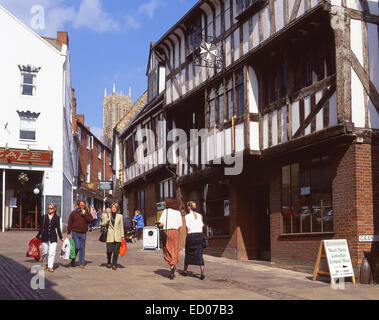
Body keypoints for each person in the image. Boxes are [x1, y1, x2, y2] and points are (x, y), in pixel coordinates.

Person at [159, 198, 182, 280]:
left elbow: (161, 223)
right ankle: (172, 267)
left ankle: (172, 267)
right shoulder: (178, 213)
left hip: (167, 232)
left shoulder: (166, 211)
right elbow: (180, 225)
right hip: (176, 232)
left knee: (167, 249)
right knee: (175, 249)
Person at [36, 203, 64, 272]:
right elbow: (41, 228)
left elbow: (58, 229)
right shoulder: (44, 217)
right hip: (44, 236)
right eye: (48, 208)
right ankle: (44, 264)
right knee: (44, 252)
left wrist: (61, 238)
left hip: (53, 237)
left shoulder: (57, 218)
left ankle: (50, 266)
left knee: (52, 252)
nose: (49, 209)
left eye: (51, 208)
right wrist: (38, 236)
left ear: (54, 209)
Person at [67, 200, 93, 268]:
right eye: (80, 205)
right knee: (77, 246)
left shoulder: (87, 213)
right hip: (75, 232)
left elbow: (90, 221)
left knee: (82, 248)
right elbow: (70, 223)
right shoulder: (73, 213)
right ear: (78, 205)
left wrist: (85, 214)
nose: (82, 206)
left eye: (83, 205)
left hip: (83, 233)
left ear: (85, 206)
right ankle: (73, 259)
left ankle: (81, 263)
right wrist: (68, 232)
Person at [183, 201, 205, 280]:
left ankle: (185, 271)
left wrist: (187, 236)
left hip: (191, 236)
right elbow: (202, 227)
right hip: (199, 235)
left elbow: (187, 228)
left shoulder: (187, 216)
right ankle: (202, 273)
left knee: (188, 253)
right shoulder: (200, 216)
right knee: (199, 254)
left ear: (189, 207)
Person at [101, 204, 125, 270]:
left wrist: (122, 236)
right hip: (110, 235)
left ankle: (114, 264)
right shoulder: (107, 215)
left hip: (118, 235)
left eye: (115, 207)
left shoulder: (120, 216)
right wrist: (107, 221)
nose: (113, 208)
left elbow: (121, 227)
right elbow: (102, 224)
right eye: (112, 207)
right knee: (109, 250)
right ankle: (109, 261)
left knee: (116, 251)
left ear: (117, 209)